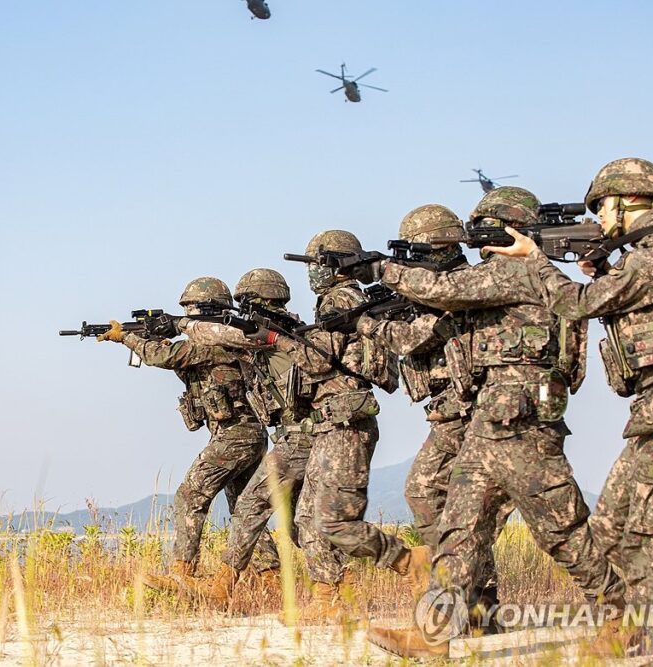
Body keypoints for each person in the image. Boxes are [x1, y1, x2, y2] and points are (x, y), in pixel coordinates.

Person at [366, 188, 624, 658]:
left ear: (512, 228)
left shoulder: (520, 270)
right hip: (492, 417)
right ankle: (433, 634)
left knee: (562, 528)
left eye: (486, 226)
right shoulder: (508, 274)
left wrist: (380, 270)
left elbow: (445, 290)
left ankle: (622, 613)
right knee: (460, 527)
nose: (477, 238)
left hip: (523, 418)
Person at [488, 158, 653, 664]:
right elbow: (629, 300)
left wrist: (534, 261)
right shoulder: (648, 258)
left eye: (603, 206)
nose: (598, 217)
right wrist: (604, 270)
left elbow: (577, 305)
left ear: (629, 201)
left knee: (642, 541)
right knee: (610, 533)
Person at [258, 230, 428, 623]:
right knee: (307, 518)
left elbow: (317, 361)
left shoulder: (341, 301)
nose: (312, 274)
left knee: (333, 518)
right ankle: (328, 596)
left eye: (316, 264)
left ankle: (408, 561)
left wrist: (273, 340)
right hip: (330, 423)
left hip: (347, 422)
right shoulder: (339, 302)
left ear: (334, 266)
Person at [357, 204, 510, 613]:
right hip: (452, 409)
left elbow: (413, 339)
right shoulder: (439, 287)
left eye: (418, 251)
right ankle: (476, 600)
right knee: (440, 499)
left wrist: (369, 325)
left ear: (440, 246)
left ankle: (463, 597)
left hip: (470, 408)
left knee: (438, 496)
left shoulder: (460, 285)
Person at [98, 277, 279, 591]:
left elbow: (165, 357)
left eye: (190, 309)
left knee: (190, 495)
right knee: (244, 508)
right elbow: (178, 358)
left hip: (236, 435)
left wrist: (126, 338)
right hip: (243, 434)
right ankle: (271, 578)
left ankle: (183, 571)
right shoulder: (221, 341)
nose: (187, 315)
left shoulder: (215, 340)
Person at [177, 268, 314, 609]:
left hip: (295, 436)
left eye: (248, 302)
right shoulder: (276, 331)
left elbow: (186, 348)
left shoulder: (267, 332)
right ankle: (271, 581)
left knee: (231, 502)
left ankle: (205, 579)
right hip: (288, 434)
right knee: (297, 525)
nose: (243, 310)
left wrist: (173, 328)